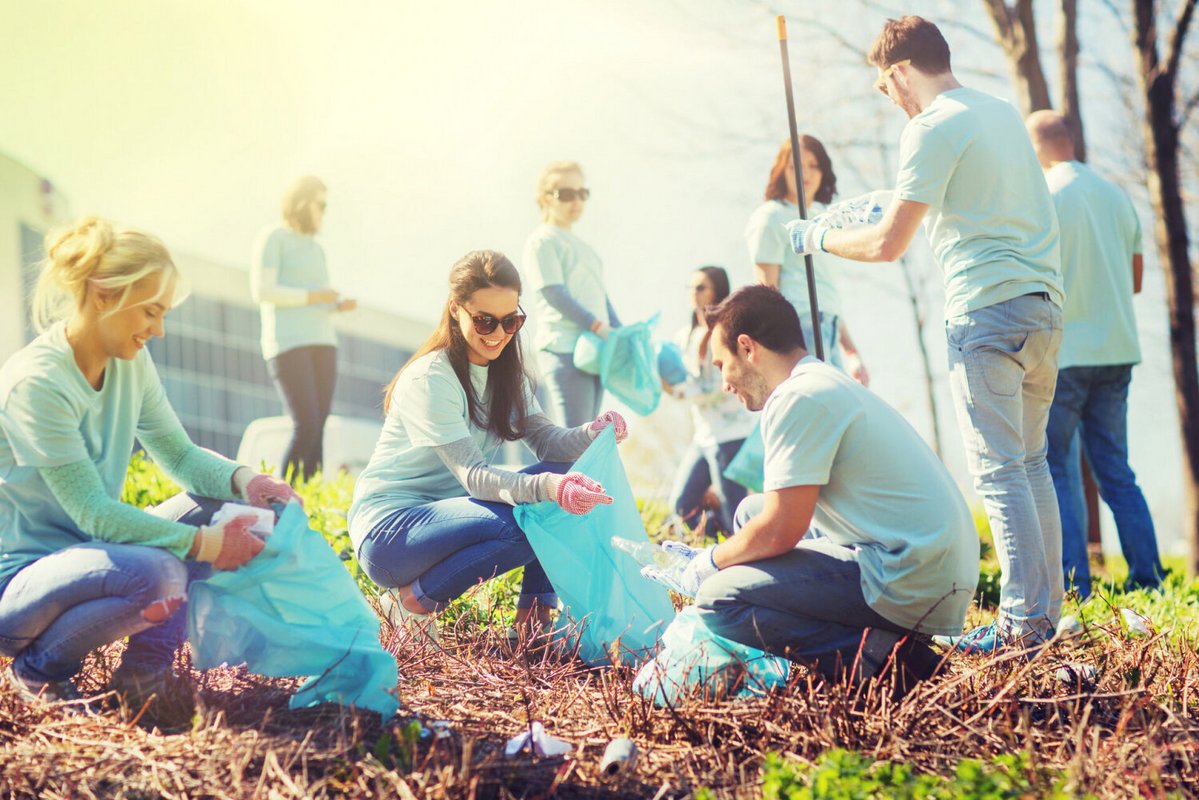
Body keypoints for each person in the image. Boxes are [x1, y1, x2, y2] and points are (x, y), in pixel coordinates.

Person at [787, 16, 1064, 654]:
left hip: (986, 312)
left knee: (999, 471)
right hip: (1043, 309)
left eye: (886, 86)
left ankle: (1023, 628)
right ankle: (1043, 617)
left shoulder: (931, 126)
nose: (890, 99)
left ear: (902, 70)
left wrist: (817, 237)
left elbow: (888, 245)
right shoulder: (999, 113)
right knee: (1031, 464)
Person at [0, 217, 299, 719]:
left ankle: (142, 676)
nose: (158, 330)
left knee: (231, 510)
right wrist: (205, 546)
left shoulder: (130, 361)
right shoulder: (37, 384)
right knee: (161, 574)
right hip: (20, 584)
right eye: (150, 312)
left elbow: (178, 456)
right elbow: (94, 513)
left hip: (92, 556)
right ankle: (40, 669)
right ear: (102, 295)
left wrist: (250, 482)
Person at [642, 286, 977, 694]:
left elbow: (781, 531)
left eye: (721, 364)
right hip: (926, 561)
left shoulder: (797, 398)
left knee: (718, 599)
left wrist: (708, 562)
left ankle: (887, 658)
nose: (724, 383)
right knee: (750, 511)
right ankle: (875, 641)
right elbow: (770, 520)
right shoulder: (819, 381)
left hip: (910, 575)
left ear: (747, 348)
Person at [347, 250, 628, 642]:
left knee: (565, 480)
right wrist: (547, 490)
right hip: (390, 535)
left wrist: (590, 433)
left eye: (511, 321)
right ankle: (411, 601)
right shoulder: (431, 378)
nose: (498, 333)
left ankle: (533, 621)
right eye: (484, 320)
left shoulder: (507, 376)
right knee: (534, 516)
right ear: (455, 310)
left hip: (450, 521)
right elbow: (475, 477)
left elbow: (548, 441)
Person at [1026, 110, 1164, 598]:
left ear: (1037, 147)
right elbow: (1137, 280)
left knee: (1057, 467)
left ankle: (1075, 586)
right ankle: (1149, 581)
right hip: (1118, 350)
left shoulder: (1044, 197)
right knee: (1116, 470)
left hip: (1066, 354)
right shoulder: (1116, 195)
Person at [251, 175, 357, 482]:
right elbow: (263, 290)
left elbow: (320, 296)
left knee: (319, 425)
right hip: (288, 344)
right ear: (301, 203)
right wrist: (313, 296)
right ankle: (283, 499)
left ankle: (309, 501)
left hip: (323, 342)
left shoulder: (316, 249)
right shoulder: (274, 238)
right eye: (320, 204)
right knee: (306, 423)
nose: (324, 211)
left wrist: (336, 303)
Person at [745, 136, 868, 382]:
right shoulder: (771, 216)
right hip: (799, 327)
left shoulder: (825, 221)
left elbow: (826, 293)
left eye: (813, 165)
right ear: (782, 170)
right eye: (795, 166)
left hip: (829, 327)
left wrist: (851, 351)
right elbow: (767, 292)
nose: (806, 174)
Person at [523, 161, 622, 427]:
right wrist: (597, 325)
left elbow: (601, 297)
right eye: (566, 194)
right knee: (575, 438)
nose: (576, 201)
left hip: (596, 349)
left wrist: (620, 332)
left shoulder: (586, 248)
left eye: (582, 193)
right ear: (545, 198)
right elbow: (553, 292)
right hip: (564, 348)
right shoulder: (542, 240)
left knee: (589, 438)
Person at [665, 266, 756, 538]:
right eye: (690, 287)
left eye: (701, 287)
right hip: (703, 436)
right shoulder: (684, 336)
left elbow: (723, 384)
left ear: (717, 290)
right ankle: (722, 545)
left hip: (730, 434)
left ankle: (743, 556)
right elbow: (677, 374)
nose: (694, 294)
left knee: (735, 513)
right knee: (681, 505)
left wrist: (681, 392)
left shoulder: (727, 332)